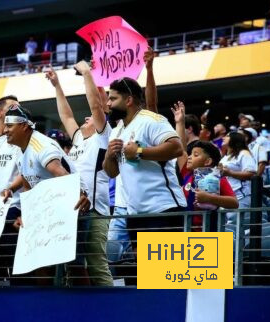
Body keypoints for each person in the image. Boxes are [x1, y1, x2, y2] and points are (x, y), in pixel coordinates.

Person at [45, 62, 113, 286]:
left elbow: (95, 107)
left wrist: (87, 73)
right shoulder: (77, 139)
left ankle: (108, 307)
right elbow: (65, 114)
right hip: (74, 207)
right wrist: (57, 85)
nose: (85, 119)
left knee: (95, 263)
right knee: (71, 263)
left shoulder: (104, 136)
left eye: (90, 118)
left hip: (95, 209)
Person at [102, 77, 186, 254]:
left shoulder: (151, 120)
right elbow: (111, 173)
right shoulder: (117, 131)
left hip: (162, 208)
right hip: (135, 213)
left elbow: (177, 148)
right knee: (146, 273)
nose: (108, 103)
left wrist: (140, 151)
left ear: (129, 100)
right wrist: (109, 156)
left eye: (113, 98)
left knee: (165, 273)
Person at [1, 104, 91, 223]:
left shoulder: (41, 146)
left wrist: (80, 195)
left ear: (23, 126)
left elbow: (61, 174)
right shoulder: (20, 148)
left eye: (9, 126)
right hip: (50, 209)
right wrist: (27, 215)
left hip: (73, 207)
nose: (4, 130)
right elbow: (28, 186)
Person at [172, 102, 238, 231]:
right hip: (184, 230)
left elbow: (234, 203)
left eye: (195, 155)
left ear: (207, 161)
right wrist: (180, 123)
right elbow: (181, 150)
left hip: (209, 231)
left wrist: (209, 198)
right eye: (190, 154)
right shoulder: (187, 173)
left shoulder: (217, 178)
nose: (189, 157)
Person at [219, 132, 257, 229]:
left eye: (227, 136)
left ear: (234, 139)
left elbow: (251, 174)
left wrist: (230, 173)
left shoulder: (243, 153)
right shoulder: (226, 156)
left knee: (236, 226)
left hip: (240, 195)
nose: (224, 137)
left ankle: (239, 244)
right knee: (226, 227)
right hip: (227, 196)